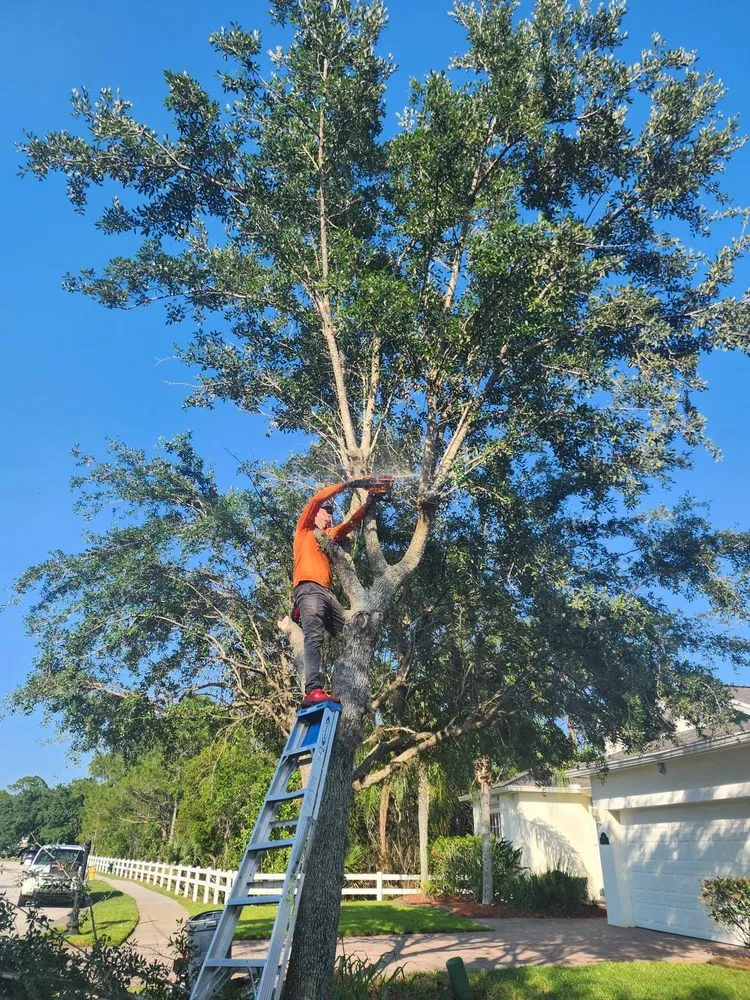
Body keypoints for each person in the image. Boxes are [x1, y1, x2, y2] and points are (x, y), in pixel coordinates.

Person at [293, 477, 378, 707]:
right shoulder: (305, 529)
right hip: (308, 588)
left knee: (351, 630)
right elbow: (318, 498)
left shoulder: (327, 536)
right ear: (315, 514)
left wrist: (368, 503)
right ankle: (313, 690)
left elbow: (348, 525)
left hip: (327, 593)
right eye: (325, 512)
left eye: (330, 513)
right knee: (314, 636)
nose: (329, 516)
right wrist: (349, 484)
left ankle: (352, 681)